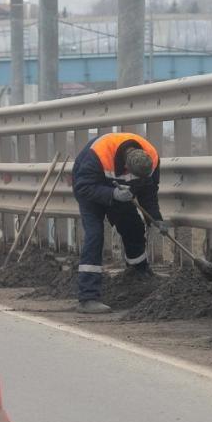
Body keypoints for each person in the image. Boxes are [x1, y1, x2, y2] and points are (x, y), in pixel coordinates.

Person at [72, 132, 170, 314]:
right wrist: (112, 194)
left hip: (120, 191)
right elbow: (82, 187)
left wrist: (156, 219)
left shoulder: (152, 159)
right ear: (126, 166)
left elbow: (149, 193)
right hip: (90, 189)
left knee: (133, 227)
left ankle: (138, 273)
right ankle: (88, 297)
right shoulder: (98, 155)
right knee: (95, 235)